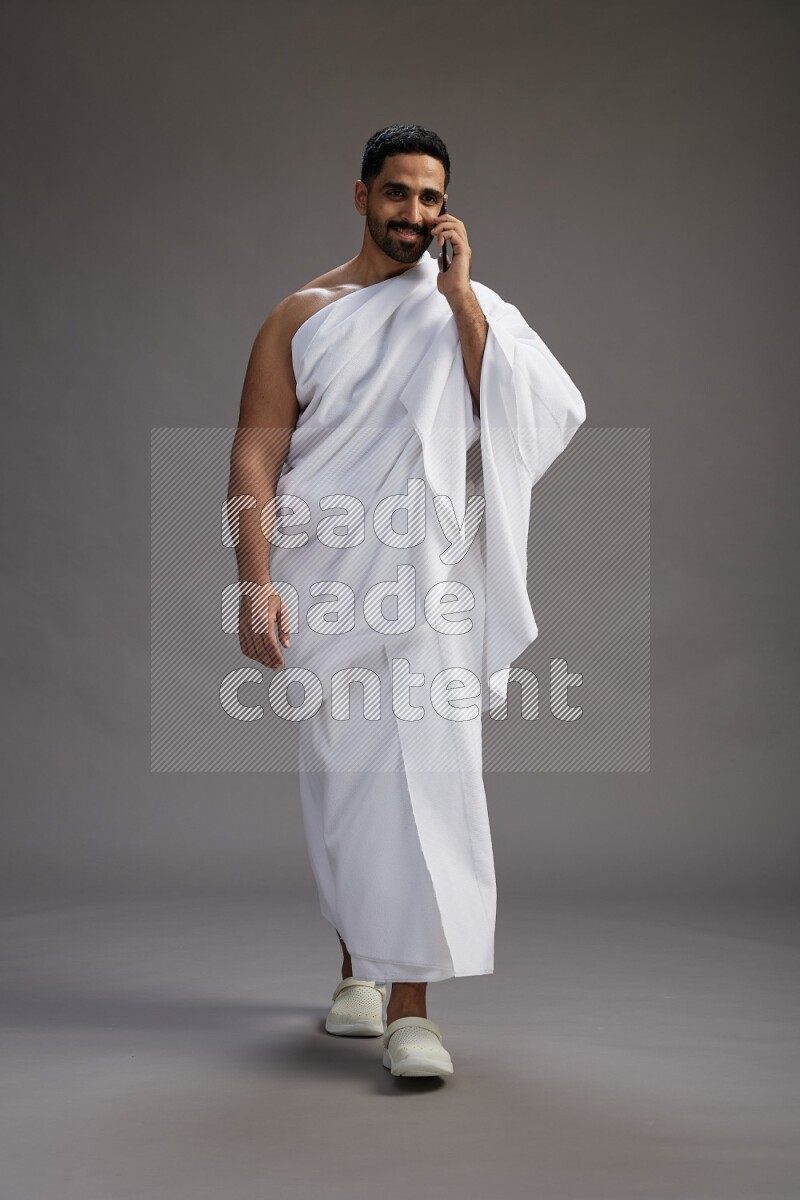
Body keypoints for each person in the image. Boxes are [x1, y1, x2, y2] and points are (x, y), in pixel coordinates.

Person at [227, 124, 586, 1080]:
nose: (415, 215)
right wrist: (254, 582)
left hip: (427, 583)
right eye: (398, 194)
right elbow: (256, 457)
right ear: (362, 196)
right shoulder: (301, 315)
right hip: (325, 579)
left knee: (428, 778)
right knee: (347, 783)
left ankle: (412, 1011)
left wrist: (461, 297)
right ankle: (359, 968)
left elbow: (526, 413)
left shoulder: (465, 307)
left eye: (431, 198)